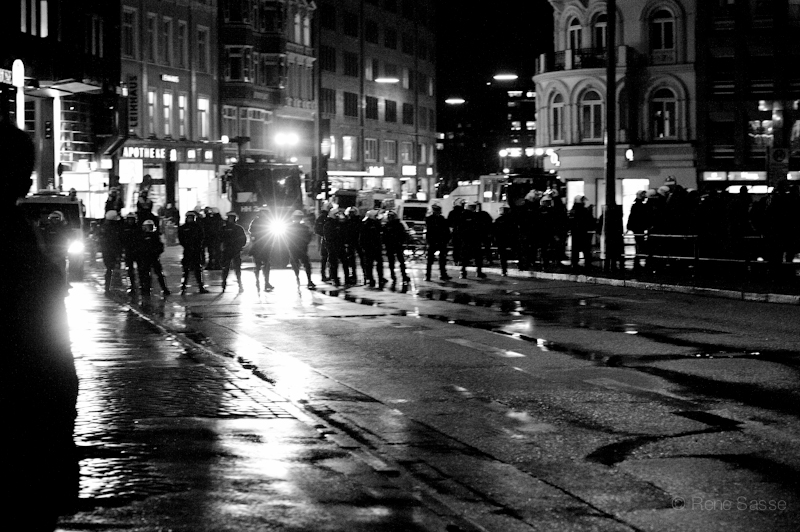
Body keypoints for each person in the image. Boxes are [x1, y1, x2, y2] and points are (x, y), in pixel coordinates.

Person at [2, 120, 79, 531]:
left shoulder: (20, 235)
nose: (30, 177)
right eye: (23, 169)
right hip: (23, 438)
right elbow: (51, 356)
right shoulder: (16, 244)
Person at [178, 211, 209, 294]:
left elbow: (201, 237)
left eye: (191, 218)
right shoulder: (184, 228)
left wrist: (198, 246)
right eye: (189, 218)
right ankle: (183, 287)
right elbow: (181, 239)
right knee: (186, 270)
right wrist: (187, 246)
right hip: (188, 250)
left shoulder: (198, 227)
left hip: (196, 250)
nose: (190, 219)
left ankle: (200, 286)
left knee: (197, 269)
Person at [137, 219, 170, 297]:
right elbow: (138, 247)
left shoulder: (155, 236)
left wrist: (156, 252)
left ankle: (164, 288)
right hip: (145, 258)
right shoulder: (142, 236)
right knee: (146, 274)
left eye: (150, 227)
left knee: (159, 273)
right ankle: (146, 288)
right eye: (147, 227)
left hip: (154, 257)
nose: (148, 228)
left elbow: (160, 247)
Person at [286, 210, 316, 288]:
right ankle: (309, 280)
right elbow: (309, 238)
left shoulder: (289, 227)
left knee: (295, 265)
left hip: (294, 249)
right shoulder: (305, 227)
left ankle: (298, 278)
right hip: (302, 249)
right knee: (306, 265)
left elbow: (286, 239)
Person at [457, 202, 486, 279]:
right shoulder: (473, 215)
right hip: (473, 239)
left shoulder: (463, 215)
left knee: (465, 256)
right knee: (477, 256)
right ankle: (478, 272)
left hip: (467, 239)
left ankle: (463, 272)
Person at [220, 211, 247, 292]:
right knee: (226, 268)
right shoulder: (225, 228)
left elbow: (243, 239)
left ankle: (239, 284)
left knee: (237, 269)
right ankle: (224, 283)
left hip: (234, 250)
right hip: (228, 251)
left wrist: (239, 246)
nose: (231, 220)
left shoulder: (236, 228)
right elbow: (219, 239)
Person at [249, 207, 274, 291]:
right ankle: (260, 282)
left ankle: (265, 282)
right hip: (260, 246)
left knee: (264, 265)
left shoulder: (264, 221)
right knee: (261, 265)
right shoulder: (258, 221)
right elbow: (252, 232)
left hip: (264, 246)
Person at [425, 203, 451, 281]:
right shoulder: (440, 219)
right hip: (438, 241)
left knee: (433, 260)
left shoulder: (430, 219)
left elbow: (429, 231)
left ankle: (429, 275)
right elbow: (446, 230)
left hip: (436, 241)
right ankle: (441, 274)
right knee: (439, 259)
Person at [383, 210, 411, 284]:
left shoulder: (390, 225)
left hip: (395, 245)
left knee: (397, 261)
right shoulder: (393, 225)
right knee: (397, 261)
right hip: (394, 245)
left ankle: (399, 275)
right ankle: (400, 275)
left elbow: (402, 235)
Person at [361, 209, 387, 287]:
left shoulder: (366, 224)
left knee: (370, 264)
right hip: (373, 247)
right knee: (376, 263)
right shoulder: (373, 224)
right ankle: (378, 278)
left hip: (370, 247)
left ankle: (370, 278)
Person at [99, 210, 123, 293]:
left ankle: (109, 286)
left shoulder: (105, 227)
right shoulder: (113, 228)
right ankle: (109, 287)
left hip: (108, 251)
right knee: (111, 268)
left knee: (110, 268)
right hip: (111, 251)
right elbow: (117, 240)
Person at [569, 195, 595, 269]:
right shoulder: (581, 210)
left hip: (577, 232)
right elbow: (585, 219)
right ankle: (586, 263)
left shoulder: (575, 210)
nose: (584, 202)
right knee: (585, 248)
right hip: (581, 232)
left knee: (577, 249)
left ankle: (575, 263)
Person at [627, 190, 651, 270]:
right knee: (639, 244)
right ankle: (637, 262)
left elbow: (631, 217)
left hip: (636, 228)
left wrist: (629, 227)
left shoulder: (635, 205)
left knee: (638, 244)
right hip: (639, 228)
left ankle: (636, 262)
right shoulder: (640, 206)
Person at [324, 207, 347, 286]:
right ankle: (334, 277)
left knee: (344, 262)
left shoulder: (339, 223)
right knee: (334, 263)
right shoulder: (329, 224)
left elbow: (344, 233)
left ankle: (346, 277)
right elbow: (328, 236)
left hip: (340, 245)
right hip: (333, 246)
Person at [493, 206, 518, 276]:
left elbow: (494, 231)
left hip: (501, 239)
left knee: (502, 255)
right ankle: (520, 265)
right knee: (515, 251)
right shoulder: (511, 219)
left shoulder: (498, 220)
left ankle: (504, 270)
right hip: (509, 239)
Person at [120, 212, 141, 295]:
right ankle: (132, 286)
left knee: (141, 269)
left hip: (137, 251)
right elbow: (121, 240)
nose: (131, 221)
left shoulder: (138, 228)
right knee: (130, 270)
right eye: (129, 219)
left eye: (132, 219)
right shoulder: (124, 228)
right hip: (129, 251)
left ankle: (141, 285)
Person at [343, 207, 363, 285]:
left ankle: (359, 275)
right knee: (352, 259)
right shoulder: (356, 221)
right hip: (353, 242)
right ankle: (356, 275)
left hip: (355, 241)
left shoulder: (350, 221)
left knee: (356, 259)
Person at [314, 203, 331, 281]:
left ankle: (327, 274)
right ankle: (324, 274)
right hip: (325, 239)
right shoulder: (322, 218)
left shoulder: (327, 217)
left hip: (328, 239)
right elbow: (317, 229)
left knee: (327, 258)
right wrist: (324, 234)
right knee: (325, 258)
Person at [448, 198, 465, 265]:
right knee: (462, 247)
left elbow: (449, 223)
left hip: (455, 232)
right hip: (463, 232)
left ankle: (456, 260)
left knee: (456, 247)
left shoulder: (452, 213)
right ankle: (461, 260)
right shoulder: (463, 212)